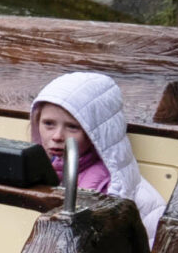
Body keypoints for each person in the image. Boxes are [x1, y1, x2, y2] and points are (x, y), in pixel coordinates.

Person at [30, 72, 167, 242]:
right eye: (48, 124)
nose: (57, 136)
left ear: (95, 133)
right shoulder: (49, 167)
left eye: (72, 127)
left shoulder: (107, 185)